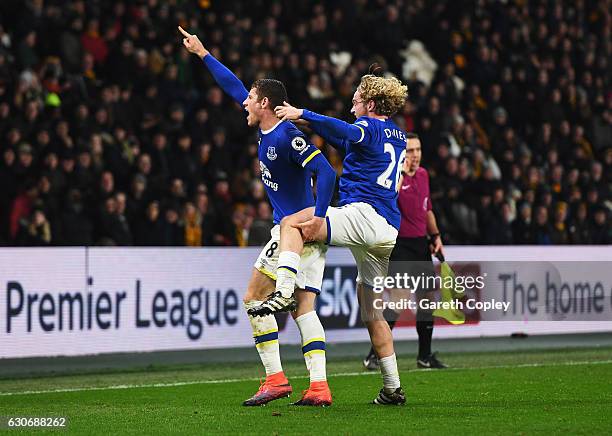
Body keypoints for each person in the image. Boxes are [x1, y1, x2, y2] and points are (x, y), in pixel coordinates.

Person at [179, 26, 336, 407]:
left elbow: (327, 172)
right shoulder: (268, 128)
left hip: (295, 230)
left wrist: (314, 218)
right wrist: (202, 52)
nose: (244, 102)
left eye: (251, 98)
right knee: (303, 307)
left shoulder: (286, 136)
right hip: (308, 233)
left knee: (253, 297)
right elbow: (232, 86)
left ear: (265, 103)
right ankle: (318, 387)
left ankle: (276, 379)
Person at [272, 65, 409, 405]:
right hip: (388, 229)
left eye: (357, 101)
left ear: (371, 105)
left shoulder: (368, 128)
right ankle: (392, 388)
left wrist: (303, 112)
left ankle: (286, 290)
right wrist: (303, 121)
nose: (352, 106)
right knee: (372, 311)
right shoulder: (398, 134)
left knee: (296, 223)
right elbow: (342, 137)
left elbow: (349, 131)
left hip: (364, 215)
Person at [362, 133, 448, 370]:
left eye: (418, 150)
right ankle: (374, 354)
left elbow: (427, 208)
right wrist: (400, 172)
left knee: (427, 300)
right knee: (399, 300)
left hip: (421, 244)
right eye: (410, 151)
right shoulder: (394, 178)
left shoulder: (423, 175)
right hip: (399, 245)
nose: (415, 155)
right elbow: (389, 199)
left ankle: (425, 356)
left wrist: (436, 236)